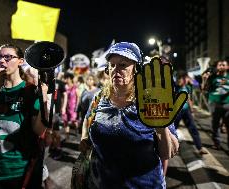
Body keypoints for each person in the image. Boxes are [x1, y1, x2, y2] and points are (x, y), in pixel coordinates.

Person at [80, 42, 179, 188]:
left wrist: (161, 126)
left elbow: (167, 153)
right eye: (112, 65)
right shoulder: (99, 97)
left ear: (137, 69)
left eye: (122, 64)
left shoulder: (152, 99)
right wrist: (84, 137)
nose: (115, 70)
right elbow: (87, 119)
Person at [0, 44, 49, 188]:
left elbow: (39, 130)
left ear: (20, 61)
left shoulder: (30, 91)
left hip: (20, 170)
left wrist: (43, 94)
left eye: (8, 57)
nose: (2, 61)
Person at [174, 73, 207, 155]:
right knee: (173, 130)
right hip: (176, 112)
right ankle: (173, 147)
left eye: (184, 79)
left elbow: (189, 99)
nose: (183, 81)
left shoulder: (187, 87)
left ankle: (200, 147)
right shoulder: (175, 87)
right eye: (180, 79)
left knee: (193, 128)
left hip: (186, 111)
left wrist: (192, 110)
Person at [203, 59, 229, 149]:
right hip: (215, 104)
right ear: (217, 67)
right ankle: (217, 143)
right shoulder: (212, 77)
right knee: (215, 125)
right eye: (219, 65)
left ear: (227, 67)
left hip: (227, 104)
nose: (221, 66)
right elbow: (204, 89)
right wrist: (205, 79)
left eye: (223, 64)